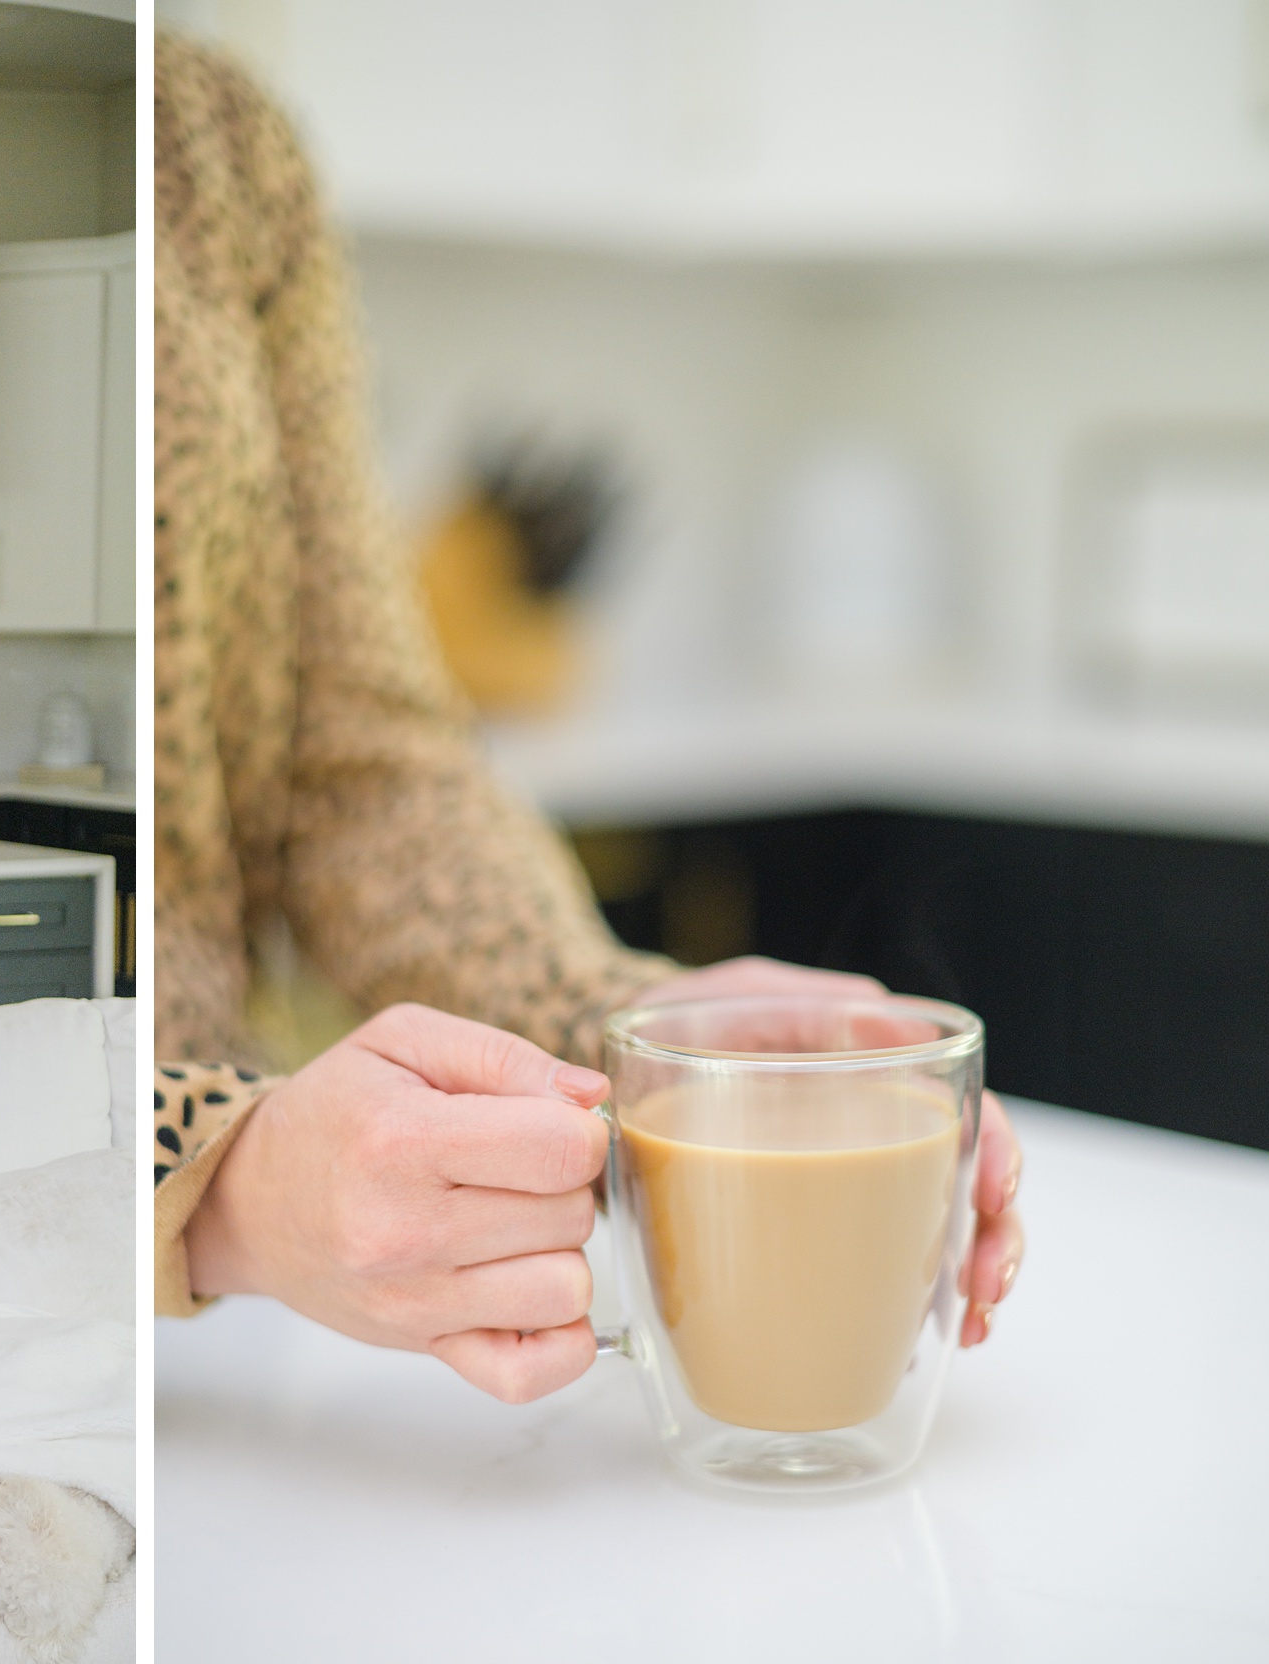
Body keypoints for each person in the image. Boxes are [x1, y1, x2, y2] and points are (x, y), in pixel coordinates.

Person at [150, 32, 1023, 1402]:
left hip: (184, 1379)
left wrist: (627, 1018)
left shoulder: (214, 138)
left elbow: (365, 758)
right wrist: (206, 1175)